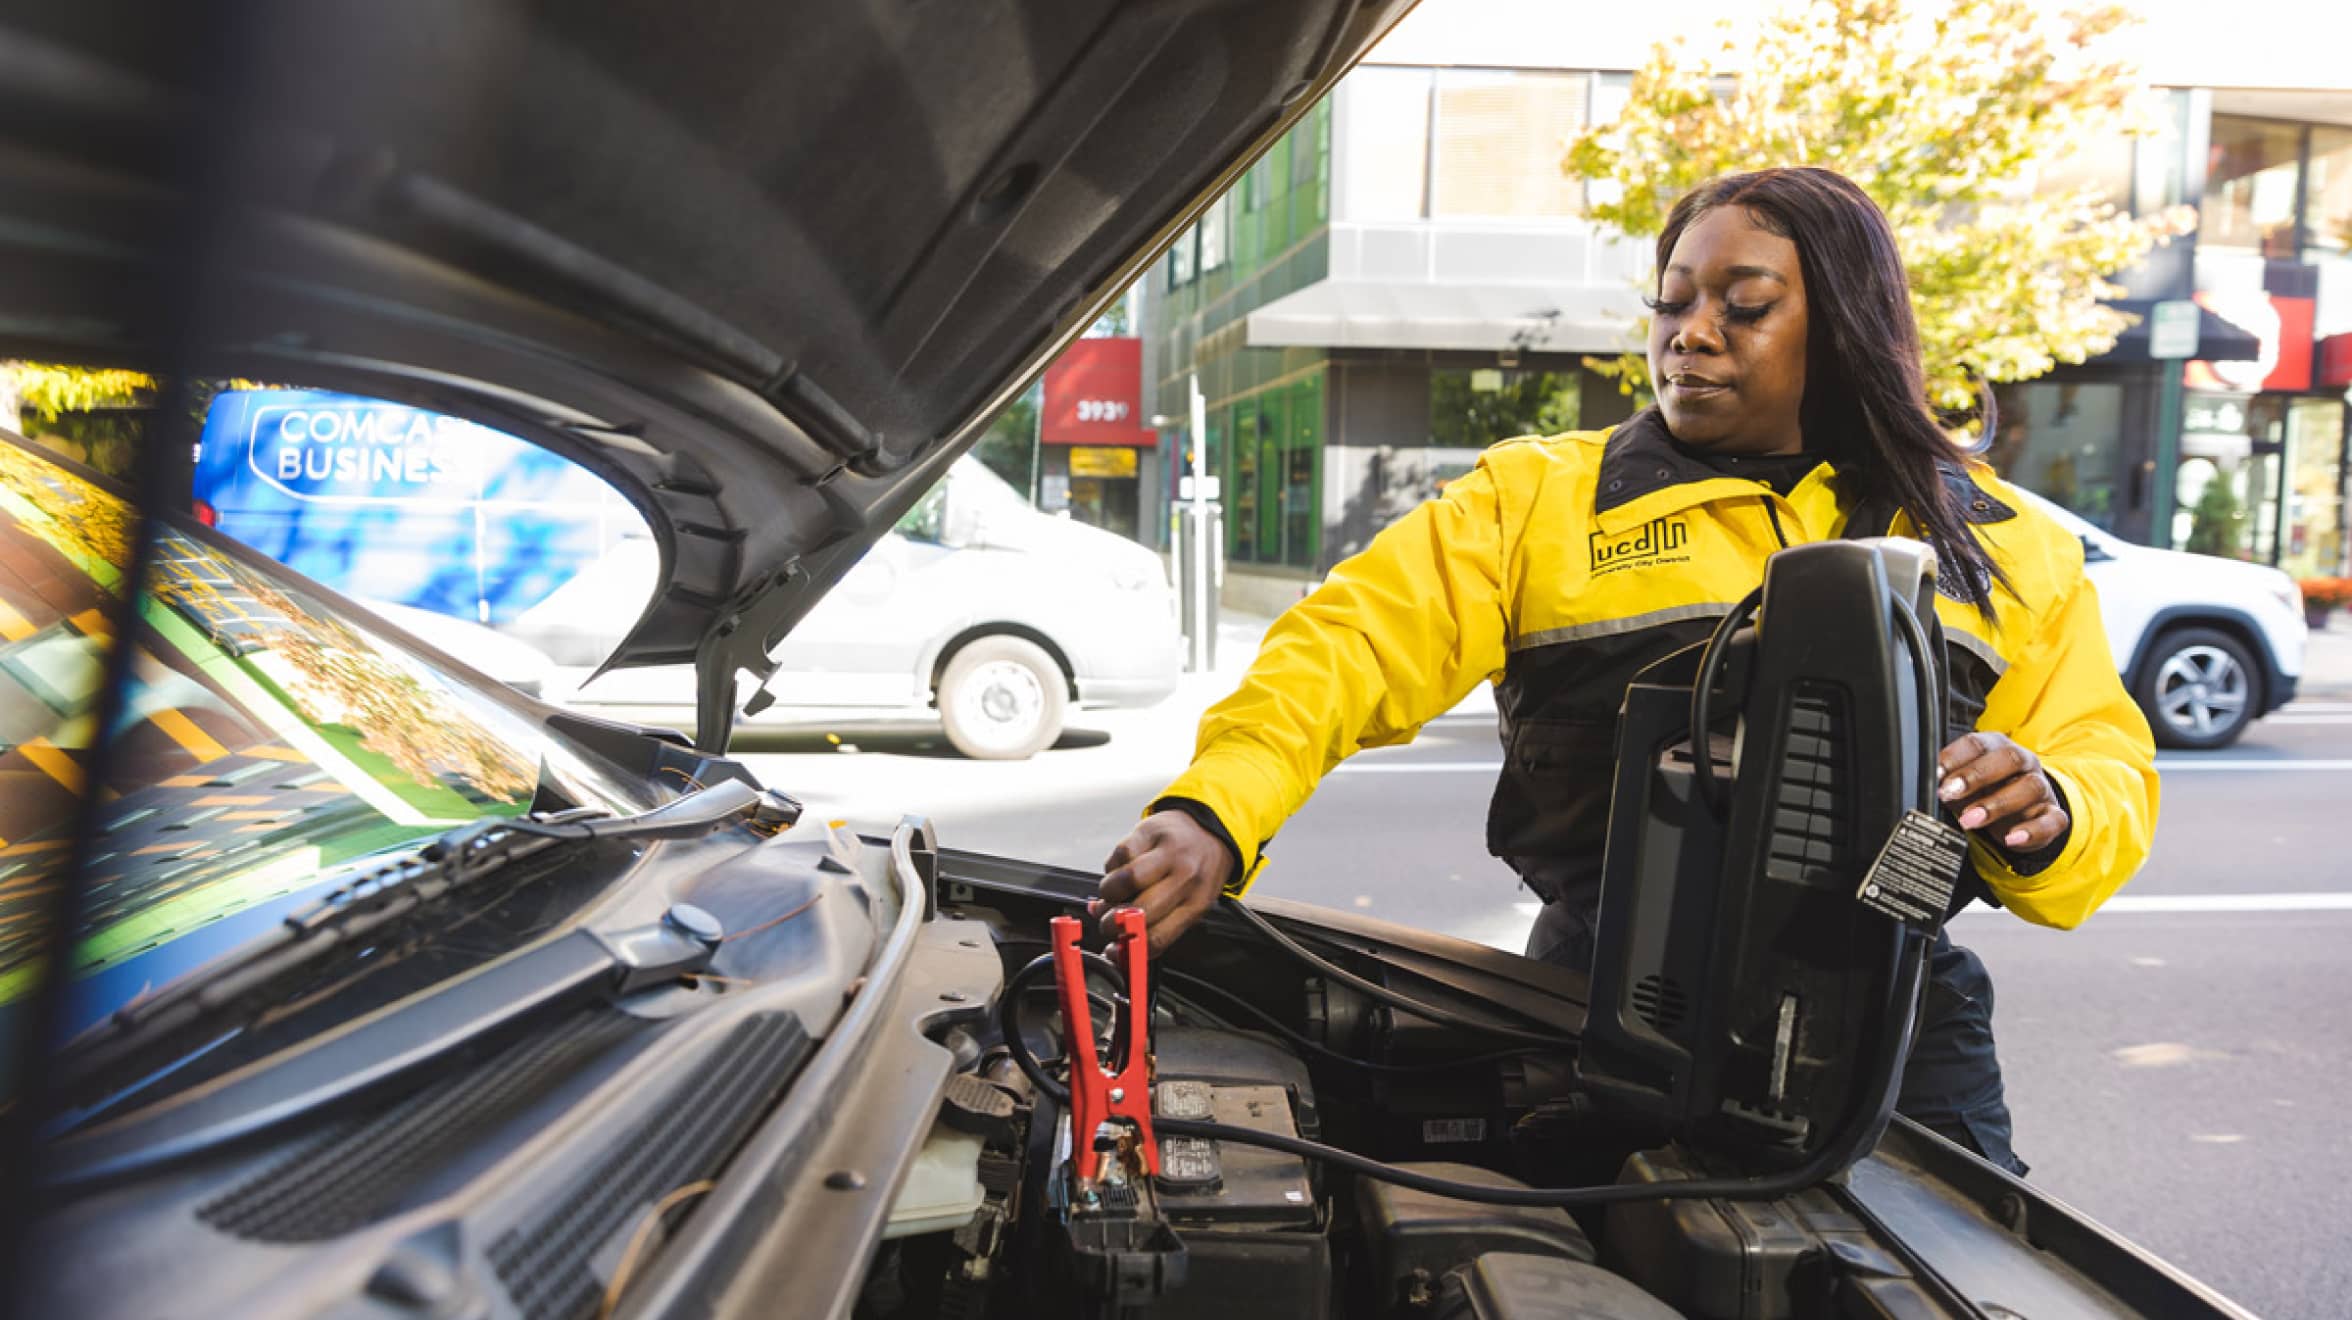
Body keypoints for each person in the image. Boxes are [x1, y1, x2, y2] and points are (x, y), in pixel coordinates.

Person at [1093, 167, 2160, 1174]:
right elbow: (1341, 648)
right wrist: (1214, 812)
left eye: (1743, 306)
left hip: (1901, 1033)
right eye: (1672, 302)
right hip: (1596, 1006)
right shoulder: (1539, 502)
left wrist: (2052, 805)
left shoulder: (2002, 541)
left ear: (1843, 327)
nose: (1690, 333)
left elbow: (2102, 756)